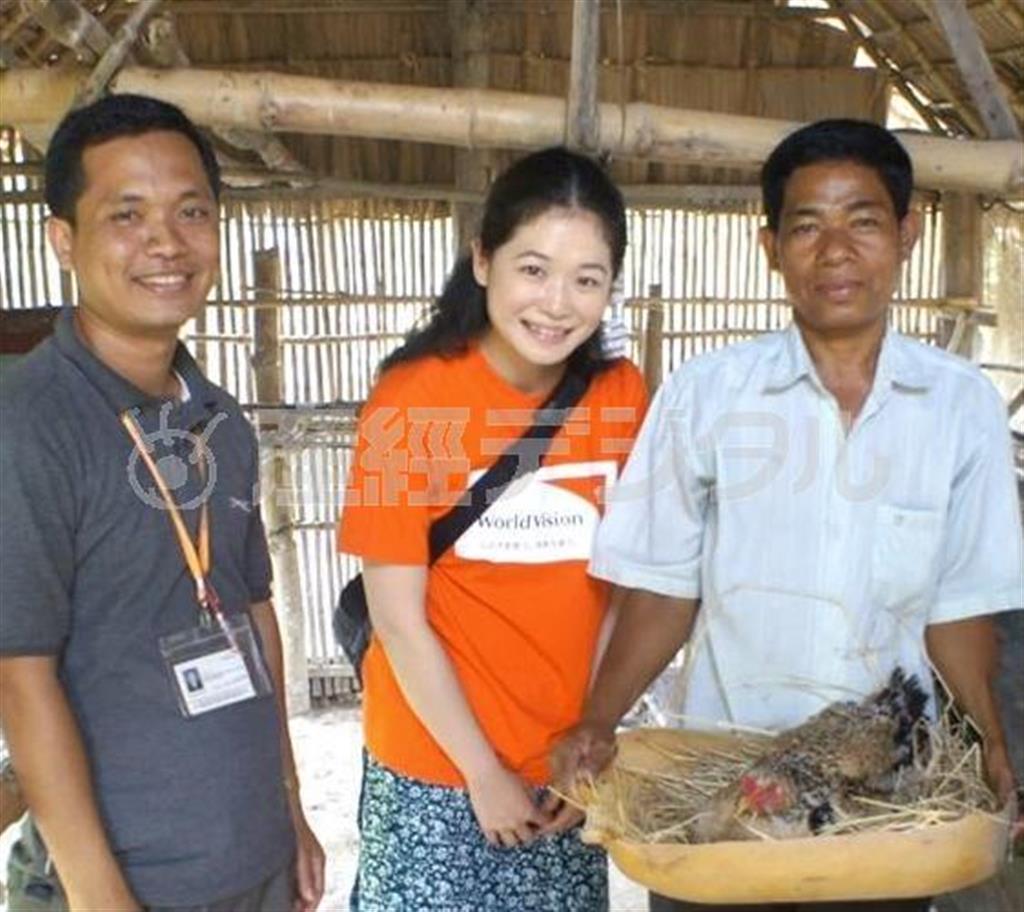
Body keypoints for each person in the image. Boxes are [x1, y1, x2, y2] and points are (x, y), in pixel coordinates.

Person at [551, 119, 1023, 912]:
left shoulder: (960, 406)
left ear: (907, 234)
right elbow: (665, 591)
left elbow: (959, 610)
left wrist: (995, 746)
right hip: (725, 796)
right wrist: (597, 719)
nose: (835, 250)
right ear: (770, 247)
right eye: (807, 226)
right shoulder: (708, 397)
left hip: (882, 805)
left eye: (863, 221)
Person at [0, 94, 325, 912]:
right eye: (127, 215)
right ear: (63, 241)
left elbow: (251, 612)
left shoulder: (219, 419)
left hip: (251, 862)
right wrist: (98, 895)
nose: (166, 243)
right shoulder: (30, 421)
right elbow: (18, 673)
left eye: (191, 211)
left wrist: (289, 807)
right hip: (124, 882)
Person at [337, 146, 648, 911]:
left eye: (588, 279)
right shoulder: (409, 401)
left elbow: (623, 586)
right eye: (533, 269)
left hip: (561, 768)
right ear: (483, 261)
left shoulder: (620, 396)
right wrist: (480, 771)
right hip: (436, 766)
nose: (557, 303)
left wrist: (589, 743)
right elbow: (398, 620)